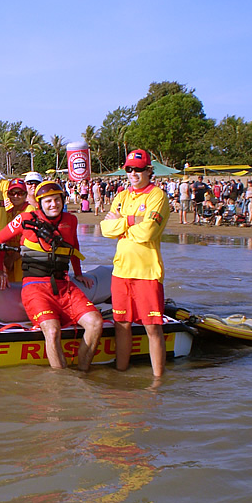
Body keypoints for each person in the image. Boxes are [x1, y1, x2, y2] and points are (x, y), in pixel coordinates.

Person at [0, 180, 102, 371]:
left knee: (95, 323)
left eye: (57, 200)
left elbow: (74, 247)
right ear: (40, 203)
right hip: (35, 287)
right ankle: (62, 386)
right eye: (48, 201)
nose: (54, 204)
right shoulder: (25, 218)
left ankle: (82, 374)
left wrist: (78, 273)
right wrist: (0, 269)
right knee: (52, 331)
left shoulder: (71, 220)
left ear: (62, 200)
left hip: (64, 286)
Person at [100, 149, 171, 377]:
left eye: (138, 169)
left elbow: (148, 232)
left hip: (147, 272)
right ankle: (121, 373)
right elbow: (105, 229)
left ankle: (158, 380)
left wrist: (121, 223)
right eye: (129, 169)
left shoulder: (157, 196)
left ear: (149, 171)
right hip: (120, 271)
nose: (133, 173)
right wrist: (132, 220)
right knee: (122, 325)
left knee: (152, 327)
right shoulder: (121, 196)